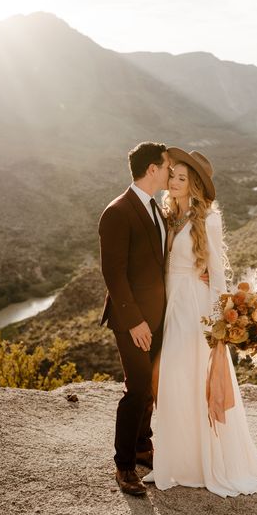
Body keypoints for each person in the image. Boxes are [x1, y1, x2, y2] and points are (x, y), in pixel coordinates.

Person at [142, 147, 257, 498]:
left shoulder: (209, 220)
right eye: (172, 176)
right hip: (169, 303)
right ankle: (174, 461)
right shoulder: (168, 214)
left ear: (194, 186)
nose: (172, 183)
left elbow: (217, 275)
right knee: (173, 380)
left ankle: (207, 462)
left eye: (180, 179)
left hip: (195, 308)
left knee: (194, 376)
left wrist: (219, 325)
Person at [98, 142, 170, 496]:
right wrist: (135, 321)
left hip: (157, 316)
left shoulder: (156, 209)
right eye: (167, 166)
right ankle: (125, 466)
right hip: (131, 320)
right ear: (152, 169)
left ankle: (143, 446)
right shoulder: (118, 211)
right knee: (137, 387)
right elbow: (113, 273)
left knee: (150, 388)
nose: (171, 171)